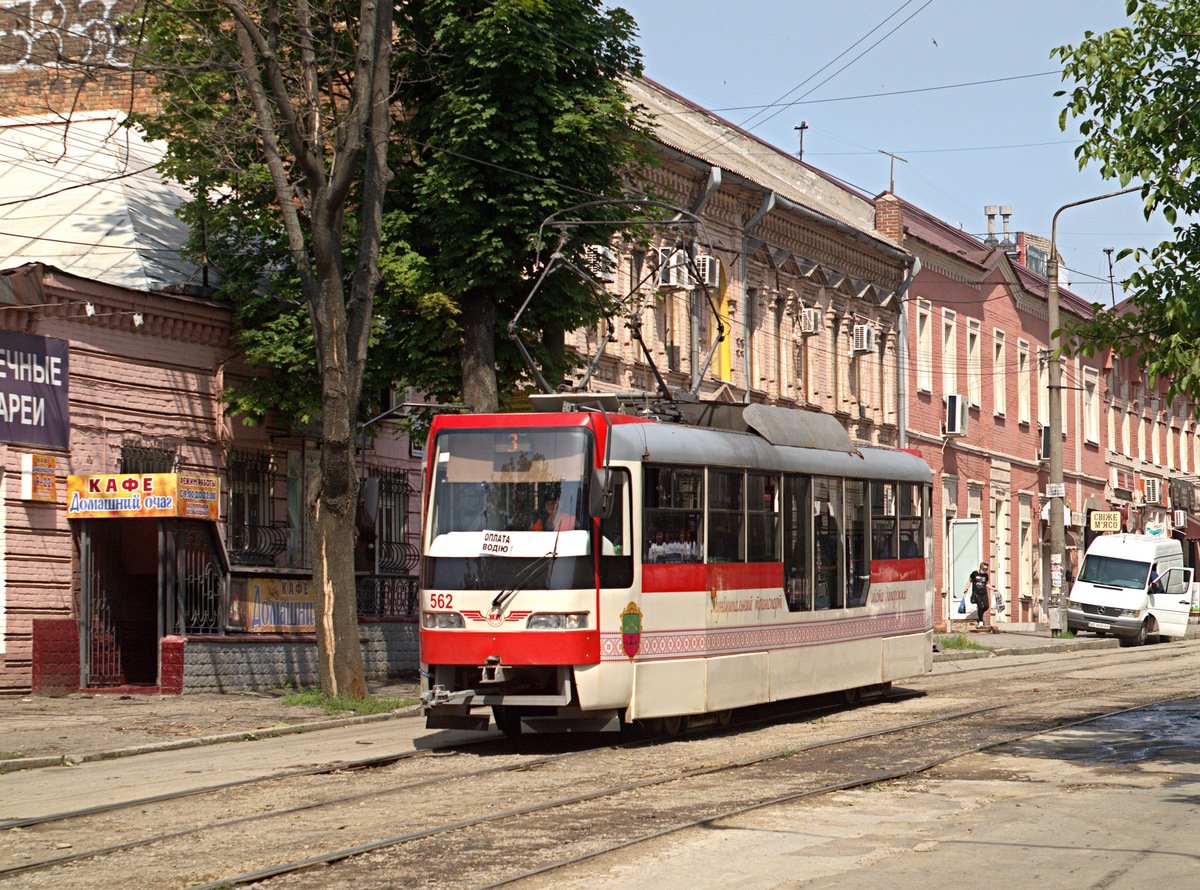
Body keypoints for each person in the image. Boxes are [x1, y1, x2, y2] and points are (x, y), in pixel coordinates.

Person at [965, 561, 992, 628]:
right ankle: (981, 621)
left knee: (986, 606)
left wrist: (993, 588)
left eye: (986, 570)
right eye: (984, 570)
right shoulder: (974, 573)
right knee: (980, 606)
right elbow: (970, 581)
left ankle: (980, 613)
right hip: (977, 593)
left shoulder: (986, 575)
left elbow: (986, 584)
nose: (985, 571)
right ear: (981, 568)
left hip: (984, 593)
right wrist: (966, 588)